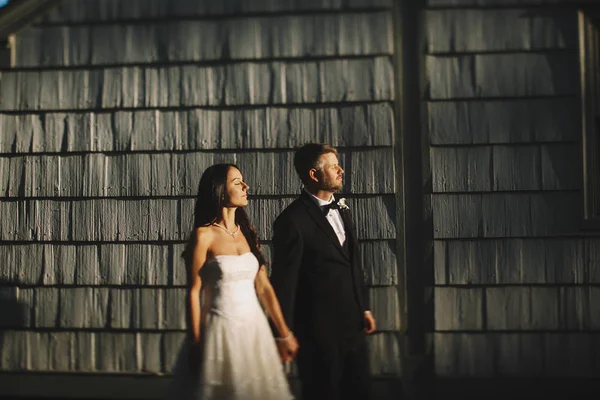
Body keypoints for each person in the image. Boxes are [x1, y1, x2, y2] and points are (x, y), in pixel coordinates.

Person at [166, 163, 298, 400]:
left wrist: (284, 332)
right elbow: (194, 292)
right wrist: (196, 344)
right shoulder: (203, 235)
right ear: (220, 190)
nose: (246, 186)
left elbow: (264, 288)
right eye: (237, 182)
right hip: (220, 330)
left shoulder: (247, 232)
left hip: (254, 329)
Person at [269, 143, 376, 400]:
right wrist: (284, 333)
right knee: (322, 391)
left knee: (359, 390)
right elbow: (285, 281)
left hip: (353, 324)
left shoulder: (342, 208)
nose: (341, 171)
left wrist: (364, 307)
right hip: (317, 330)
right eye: (333, 167)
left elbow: (352, 262)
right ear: (314, 175)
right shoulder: (292, 220)